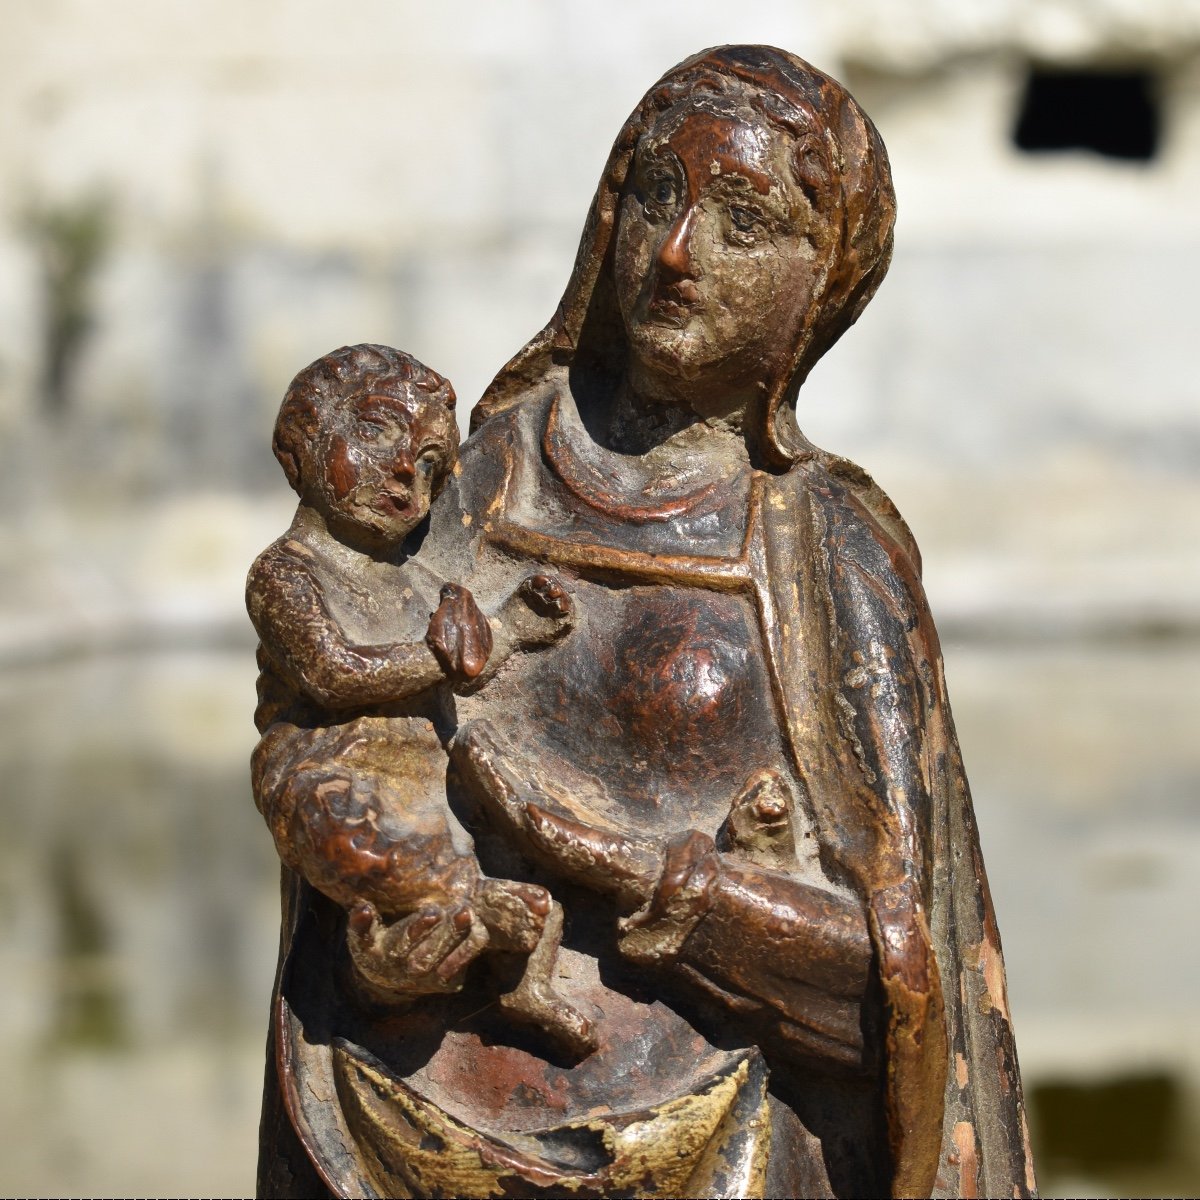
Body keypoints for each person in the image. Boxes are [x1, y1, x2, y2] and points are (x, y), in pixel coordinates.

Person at [262, 49, 1036, 1200]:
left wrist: (618, 864)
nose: (678, 255)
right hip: (392, 1126)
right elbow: (315, 746)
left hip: (725, 1147)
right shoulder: (466, 481)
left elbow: (894, 990)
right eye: (657, 196)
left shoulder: (822, 547)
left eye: (743, 221)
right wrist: (372, 932)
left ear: (821, 277)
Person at [248, 343, 593, 1057]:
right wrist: (463, 650)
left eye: (432, 465)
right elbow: (334, 673)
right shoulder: (287, 573)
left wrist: (511, 632)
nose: (408, 472)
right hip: (330, 775)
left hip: (427, 781)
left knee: (520, 856)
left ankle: (521, 975)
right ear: (304, 438)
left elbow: (471, 662)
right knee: (382, 854)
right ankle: (414, 950)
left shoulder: (420, 584)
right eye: (376, 432)